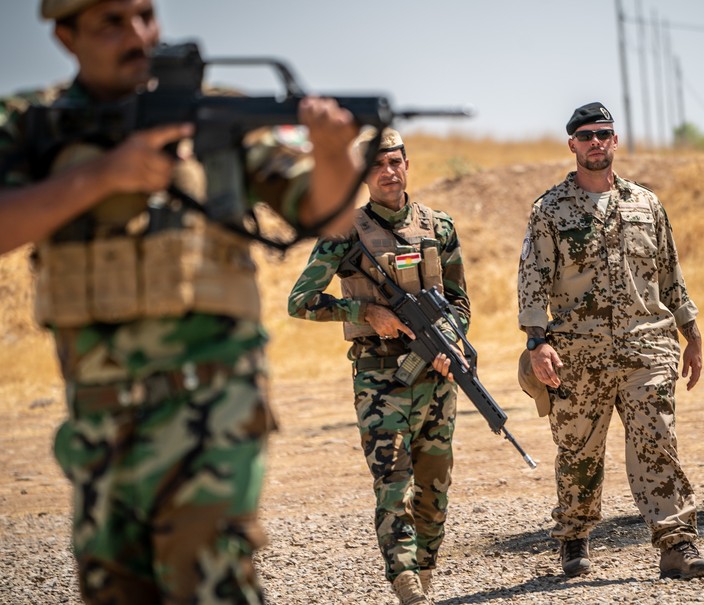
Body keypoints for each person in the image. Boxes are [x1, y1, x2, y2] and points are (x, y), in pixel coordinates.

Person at [0, 1, 362, 603]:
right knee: (115, 587)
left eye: (144, 15)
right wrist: (102, 177)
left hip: (214, 406)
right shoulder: (30, 121)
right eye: (110, 23)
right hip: (97, 417)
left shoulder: (219, 113)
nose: (137, 35)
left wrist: (331, 151)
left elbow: (326, 212)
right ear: (65, 36)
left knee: (209, 584)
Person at [516, 101, 704, 581]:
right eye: (586, 136)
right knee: (578, 451)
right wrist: (536, 341)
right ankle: (574, 537)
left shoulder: (646, 204)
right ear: (572, 145)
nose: (595, 143)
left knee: (657, 443)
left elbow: (671, 273)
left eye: (603, 133)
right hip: (577, 355)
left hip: (646, 347)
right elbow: (532, 281)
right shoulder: (549, 209)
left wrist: (691, 332)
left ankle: (677, 544)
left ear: (615, 140)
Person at [287, 127, 469, 605]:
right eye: (377, 165)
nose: (388, 172)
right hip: (379, 379)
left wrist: (451, 343)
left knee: (435, 485)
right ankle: (405, 579)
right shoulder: (343, 233)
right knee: (394, 483)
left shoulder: (439, 226)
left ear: (407, 164)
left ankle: (424, 571)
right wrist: (365, 312)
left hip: (437, 375)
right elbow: (300, 301)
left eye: (395, 162)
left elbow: (460, 303)